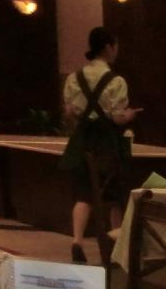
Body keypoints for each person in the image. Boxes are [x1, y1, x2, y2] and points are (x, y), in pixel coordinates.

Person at [58, 27, 141, 263]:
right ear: (107, 47)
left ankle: (77, 241)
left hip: (83, 140)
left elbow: (70, 112)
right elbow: (117, 117)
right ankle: (116, 248)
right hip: (107, 142)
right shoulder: (116, 81)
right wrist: (129, 115)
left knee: (83, 194)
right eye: (115, 46)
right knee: (116, 195)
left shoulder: (74, 78)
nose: (117, 51)